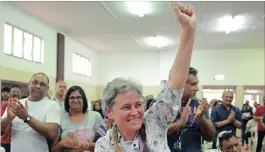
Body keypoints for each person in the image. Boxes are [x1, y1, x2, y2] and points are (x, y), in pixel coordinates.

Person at [94, 3, 196, 151]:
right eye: (126, 107)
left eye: (138, 104)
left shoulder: (154, 122)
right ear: (109, 112)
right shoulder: (104, 145)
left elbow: (174, 83)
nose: (135, 112)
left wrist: (189, 30)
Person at [1, 72, 61, 152]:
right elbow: (1, 131)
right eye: (35, 82)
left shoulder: (53, 105)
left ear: (47, 88)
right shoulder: (16, 104)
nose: (38, 86)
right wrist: (8, 118)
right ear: (29, 84)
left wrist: (26, 118)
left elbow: (51, 133)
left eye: (42, 84)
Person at [167, 67, 216, 152]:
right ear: (180, 84)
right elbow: (154, 134)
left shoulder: (199, 105)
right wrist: (179, 124)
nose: (197, 88)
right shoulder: (162, 105)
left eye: (197, 84)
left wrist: (201, 117)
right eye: (193, 84)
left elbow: (210, 137)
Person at [51, 86, 103, 152]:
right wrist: (62, 144)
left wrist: (86, 146)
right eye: (72, 97)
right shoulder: (62, 118)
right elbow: (53, 149)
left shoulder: (95, 116)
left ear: (83, 99)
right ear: (67, 101)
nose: (75, 100)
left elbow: (104, 144)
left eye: (78, 97)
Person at [1, 87, 11, 152]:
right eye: (4, 92)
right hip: (2, 137)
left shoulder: (11, 105)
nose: (5, 94)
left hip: (11, 138)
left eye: (7, 92)